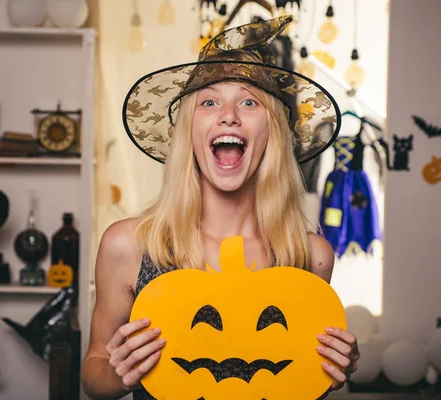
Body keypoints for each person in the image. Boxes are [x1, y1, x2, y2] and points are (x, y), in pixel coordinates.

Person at [81, 16, 359, 400]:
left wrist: (330, 368)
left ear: (272, 131)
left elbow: (294, 381)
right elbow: (93, 376)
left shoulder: (310, 255)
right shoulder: (130, 245)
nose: (228, 115)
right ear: (189, 131)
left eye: (249, 102)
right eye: (209, 102)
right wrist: (119, 372)